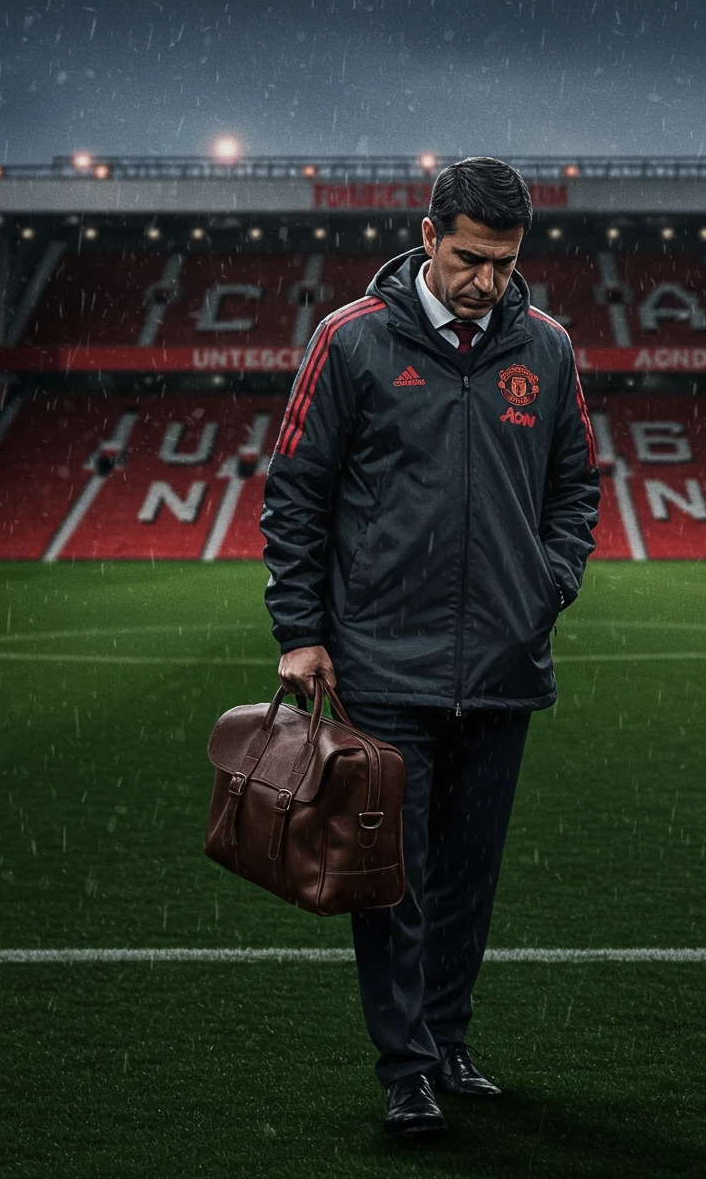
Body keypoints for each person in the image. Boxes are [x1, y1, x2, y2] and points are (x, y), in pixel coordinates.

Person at [261, 156, 600, 1141]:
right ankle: (404, 1066)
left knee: (467, 872)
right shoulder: (349, 341)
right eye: (465, 258)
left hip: (500, 668)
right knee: (394, 876)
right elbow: (295, 491)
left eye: (500, 262)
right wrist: (300, 631)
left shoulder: (547, 348)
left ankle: (449, 1037)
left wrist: (544, 587)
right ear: (426, 236)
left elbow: (575, 489)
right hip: (381, 663)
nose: (482, 281)